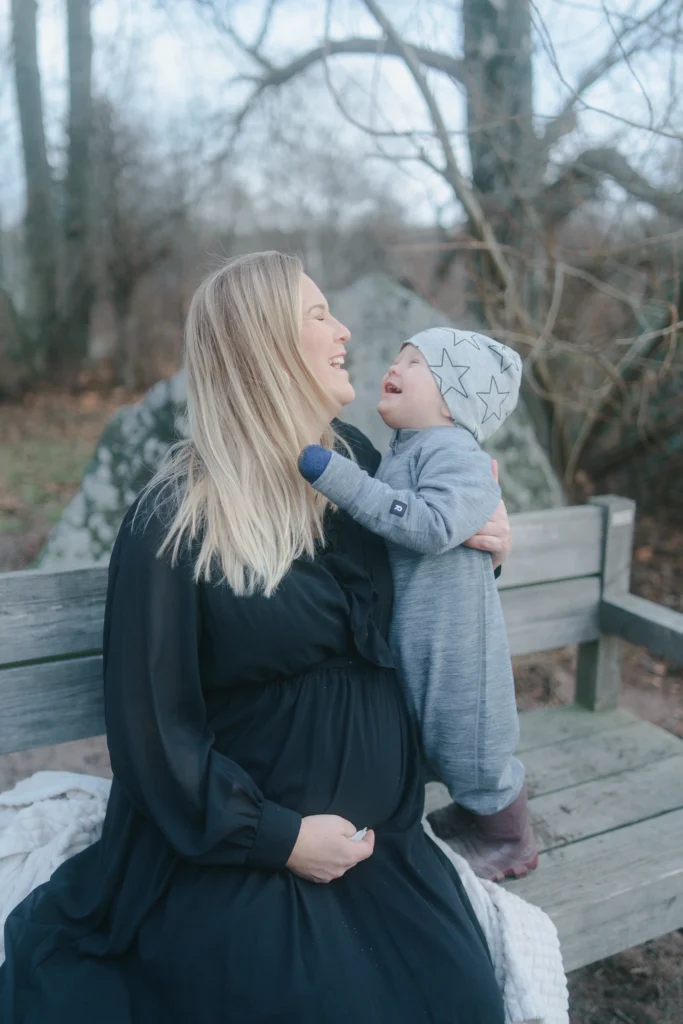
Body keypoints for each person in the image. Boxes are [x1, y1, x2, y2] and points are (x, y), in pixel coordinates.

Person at [0, 252, 512, 1023]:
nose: (344, 331)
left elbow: (426, 588)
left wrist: (484, 547)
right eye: (317, 316)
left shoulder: (362, 470)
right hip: (238, 854)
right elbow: (151, 730)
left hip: (384, 845)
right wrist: (279, 837)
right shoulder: (176, 515)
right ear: (263, 345)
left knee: (466, 1002)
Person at [297, 327, 538, 882]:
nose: (396, 366)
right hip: (422, 640)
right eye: (398, 354)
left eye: (417, 362)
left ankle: (510, 839)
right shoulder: (408, 451)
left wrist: (335, 475)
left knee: (471, 746)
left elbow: (431, 527)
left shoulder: (459, 453)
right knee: (432, 739)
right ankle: (476, 818)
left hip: (459, 651)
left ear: (456, 400)